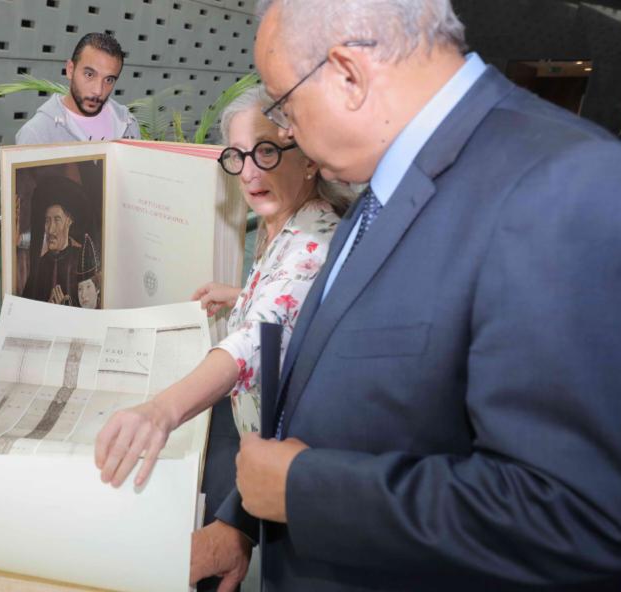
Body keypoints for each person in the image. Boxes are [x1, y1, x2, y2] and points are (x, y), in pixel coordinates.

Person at [199, 0, 621, 590]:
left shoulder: (565, 186)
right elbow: (339, 395)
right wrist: (240, 521)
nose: (286, 129)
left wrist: (307, 492)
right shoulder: (380, 183)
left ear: (349, 74)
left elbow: (579, 518)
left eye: (283, 104)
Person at [94, 86, 347, 568]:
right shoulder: (286, 220)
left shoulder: (313, 239)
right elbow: (283, 303)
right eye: (238, 157)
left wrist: (161, 411)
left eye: (266, 151)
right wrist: (240, 296)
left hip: (283, 471)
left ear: (308, 157)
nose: (249, 172)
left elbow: (256, 341)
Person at [15, 32, 140, 145]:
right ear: (70, 69)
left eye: (109, 80)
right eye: (89, 74)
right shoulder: (36, 134)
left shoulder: (128, 123)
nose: (98, 91)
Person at [22, 186, 84, 306]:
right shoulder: (40, 265)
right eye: (47, 221)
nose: (50, 230)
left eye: (57, 220)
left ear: (69, 221)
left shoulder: (81, 260)